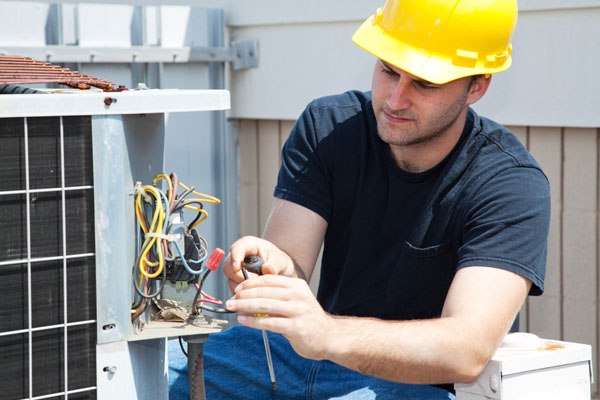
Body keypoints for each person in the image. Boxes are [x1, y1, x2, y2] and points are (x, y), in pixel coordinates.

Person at [169, 0, 550, 399]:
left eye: (425, 83)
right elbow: (290, 266)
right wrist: (274, 269)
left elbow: (466, 349)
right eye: (388, 70)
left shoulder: (510, 183)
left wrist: (327, 333)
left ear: (477, 85)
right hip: (301, 357)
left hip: (417, 386)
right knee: (145, 375)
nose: (395, 99)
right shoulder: (328, 127)